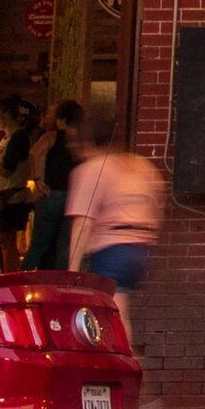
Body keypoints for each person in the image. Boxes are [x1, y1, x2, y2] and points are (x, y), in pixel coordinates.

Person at [66, 131, 166, 312]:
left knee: (111, 315)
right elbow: (157, 206)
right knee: (118, 310)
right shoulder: (142, 165)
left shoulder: (94, 168)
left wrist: (72, 272)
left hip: (111, 249)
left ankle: (121, 341)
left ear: (88, 143)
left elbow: (83, 223)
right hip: (141, 248)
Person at [0, 99, 44, 268]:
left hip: (7, 198)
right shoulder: (7, 139)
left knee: (5, 241)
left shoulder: (18, 138)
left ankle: (9, 278)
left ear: (6, 116)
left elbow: (7, 170)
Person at [28, 101, 86, 271]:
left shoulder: (52, 137)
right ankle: (60, 285)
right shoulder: (82, 143)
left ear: (61, 119)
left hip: (51, 193)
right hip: (73, 198)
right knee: (64, 247)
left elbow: (34, 153)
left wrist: (37, 179)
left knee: (39, 244)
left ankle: (22, 279)